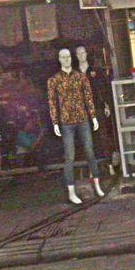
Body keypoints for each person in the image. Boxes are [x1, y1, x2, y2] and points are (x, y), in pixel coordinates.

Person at [47, 47, 105, 204]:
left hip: (83, 119)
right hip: (66, 122)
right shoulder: (54, 80)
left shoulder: (80, 77)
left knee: (90, 152)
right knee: (69, 156)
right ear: (59, 59)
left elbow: (88, 98)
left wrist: (93, 117)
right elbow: (52, 103)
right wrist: (55, 122)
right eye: (63, 57)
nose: (66, 59)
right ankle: (71, 191)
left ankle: (97, 185)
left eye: (68, 57)